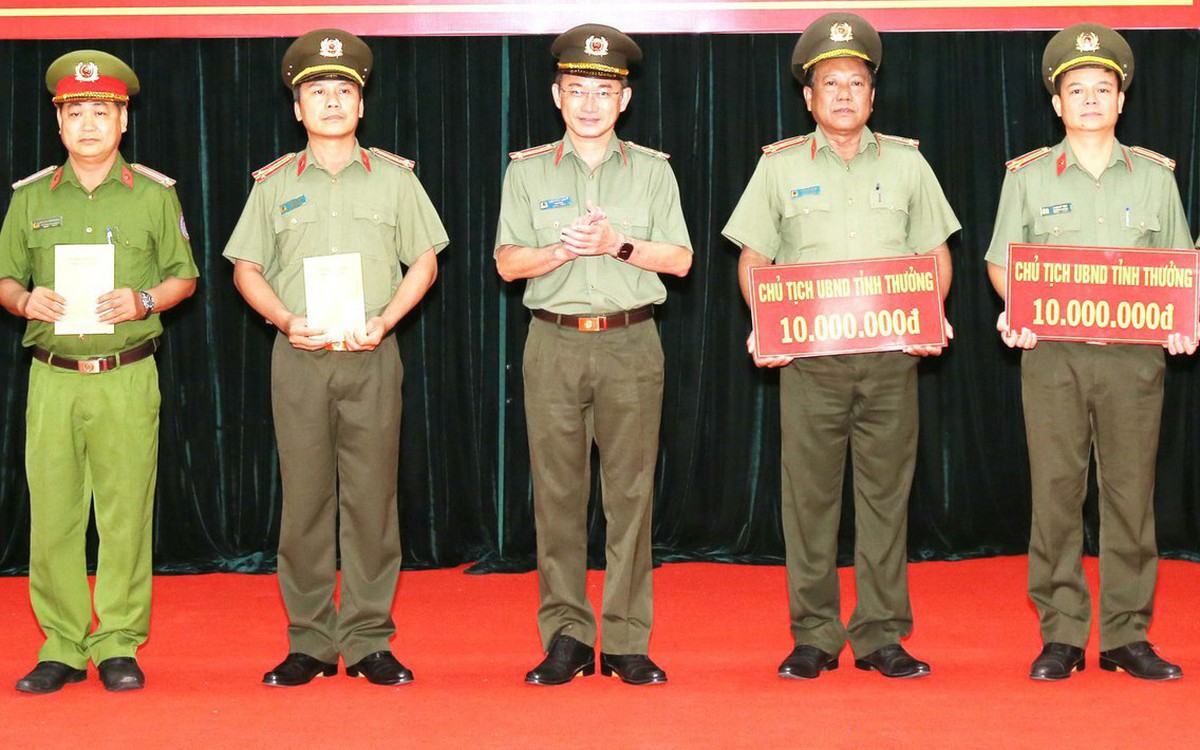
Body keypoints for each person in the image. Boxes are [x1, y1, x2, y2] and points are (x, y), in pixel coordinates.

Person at [723, 13, 959, 680]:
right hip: (809, 363)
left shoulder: (909, 164)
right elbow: (754, 259)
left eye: (856, 82)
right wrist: (765, 322)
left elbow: (935, 254)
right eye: (830, 84)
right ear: (809, 97)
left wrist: (930, 315)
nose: (844, 94)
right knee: (810, 502)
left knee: (886, 498)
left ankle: (881, 634)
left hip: (891, 362)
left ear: (873, 96)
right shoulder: (778, 168)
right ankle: (814, 635)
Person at [223, 28, 448, 687]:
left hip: (373, 357)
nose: (330, 102)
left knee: (373, 501)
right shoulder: (273, 185)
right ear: (297, 108)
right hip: (299, 359)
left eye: (343, 91)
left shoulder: (396, 180)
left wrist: (387, 319)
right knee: (306, 503)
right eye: (317, 92)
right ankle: (312, 642)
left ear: (361, 105)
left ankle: (371, 638)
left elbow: (425, 261)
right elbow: (245, 268)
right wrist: (285, 319)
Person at [986, 24, 1192, 682]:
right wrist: (1020, 309)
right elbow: (1001, 263)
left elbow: (1179, 266)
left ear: (1121, 100)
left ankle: (1127, 635)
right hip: (1054, 358)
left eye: (1103, 88)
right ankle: (1062, 634)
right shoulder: (1026, 177)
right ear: (1057, 104)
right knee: (1056, 494)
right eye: (1077, 90)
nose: (1091, 100)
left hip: (1135, 359)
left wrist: (1183, 321)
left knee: (1131, 498)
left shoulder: (1155, 177)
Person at [495, 23, 692, 686]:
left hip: (631, 344)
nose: (589, 103)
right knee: (557, 495)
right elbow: (506, 263)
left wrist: (617, 245)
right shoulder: (526, 171)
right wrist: (561, 250)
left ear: (624, 100)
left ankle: (628, 640)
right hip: (552, 342)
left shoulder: (654, 171)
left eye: (603, 92)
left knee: (630, 496)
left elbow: (682, 260)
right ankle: (568, 636)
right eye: (577, 89)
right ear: (557, 96)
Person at [0, 50, 198, 693]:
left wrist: (144, 300)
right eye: (76, 113)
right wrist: (24, 301)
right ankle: (60, 644)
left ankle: (117, 642)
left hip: (126, 375)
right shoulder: (30, 198)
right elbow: (6, 279)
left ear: (124, 122)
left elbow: (184, 277)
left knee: (125, 514)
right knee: (54, 515)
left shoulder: (154, 196)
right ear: (58, 123)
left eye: (102, 112)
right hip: (53, 377)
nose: (88, 124)